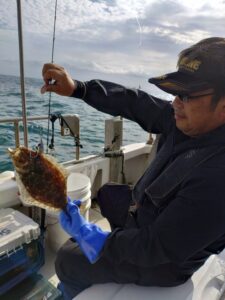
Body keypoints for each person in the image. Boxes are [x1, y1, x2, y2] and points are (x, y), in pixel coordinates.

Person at [41, 37, 225, 299]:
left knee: (68, 258)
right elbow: (134, 102)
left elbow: (158, 247)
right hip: (143, 219)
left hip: (165, 264)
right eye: (174, 93)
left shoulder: (218, 177)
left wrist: (94, 239)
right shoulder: (187, 121)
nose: (174, 103)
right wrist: (79, 89)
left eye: (186, 95)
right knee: (107, 193)